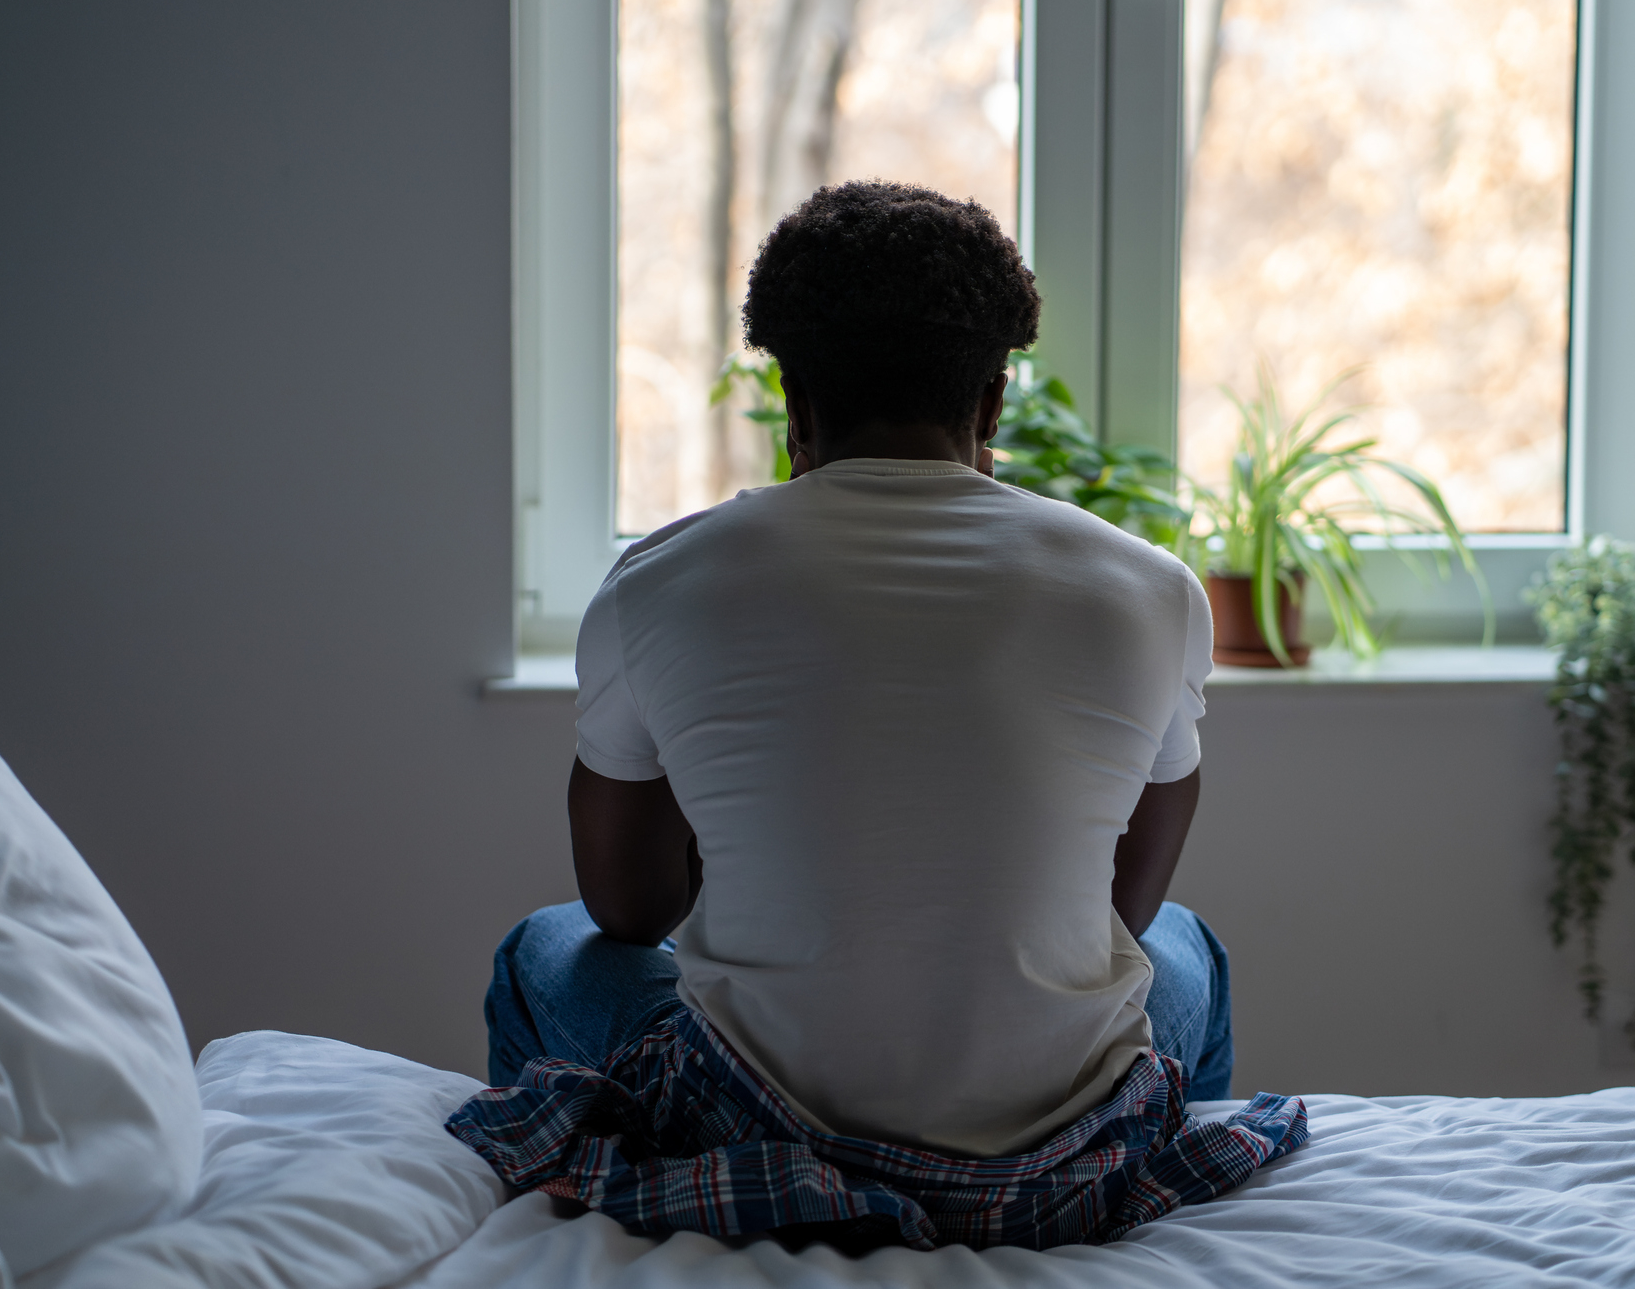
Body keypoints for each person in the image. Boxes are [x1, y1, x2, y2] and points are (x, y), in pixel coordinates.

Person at [454, 181, 1302, 1249]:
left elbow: (626, 913)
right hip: (1050, 1147)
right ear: (993, 401)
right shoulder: (1150, 589)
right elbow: (1123, 917)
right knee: (1189, 950)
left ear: (793, 401)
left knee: (542, 950)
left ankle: (559, 1239)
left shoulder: (659, 582)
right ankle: (1143, 1237)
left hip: (762, 1119)